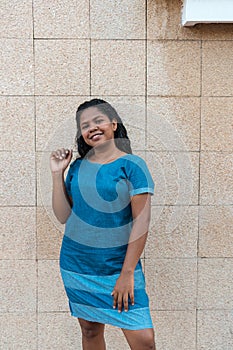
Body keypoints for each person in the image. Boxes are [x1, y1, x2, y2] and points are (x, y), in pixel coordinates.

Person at [50, 99, 156, 350]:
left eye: (98, 120)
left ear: (113, 123)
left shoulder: (133, 165)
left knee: (144, 341)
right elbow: (63, 215)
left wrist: (127, 273)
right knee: (89, 331)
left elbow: (142, 222)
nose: (92, 128)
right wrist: (57, 174)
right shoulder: (77, 167)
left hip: (119, 268)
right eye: (85, 125)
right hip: (78, 265)